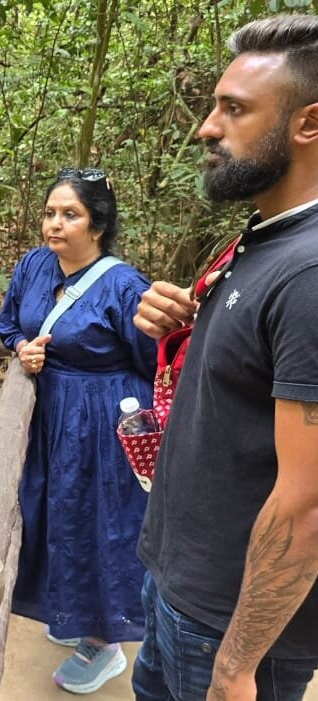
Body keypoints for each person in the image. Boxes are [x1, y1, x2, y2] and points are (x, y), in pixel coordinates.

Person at [131, 13, 318, 701]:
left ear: (309, 125)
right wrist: (178, 322)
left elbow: (308, 505)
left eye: (233, 110)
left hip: (231, 627)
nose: (206, 127)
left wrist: (238, 665)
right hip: (182, 586)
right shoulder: (267, 232)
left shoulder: (309, 272)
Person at [0, 168, 156, 694]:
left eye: (70, 215)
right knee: (53, 513)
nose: (55, 225)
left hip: (101, 424)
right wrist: (22, 348)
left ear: (98, 225)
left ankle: (105, 641)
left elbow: (154, 362)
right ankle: (70, 611)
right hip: (50, 418)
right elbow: (9, 324)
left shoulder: (124, 285)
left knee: (98, 522)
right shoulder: (35, 266)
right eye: (50, 213)